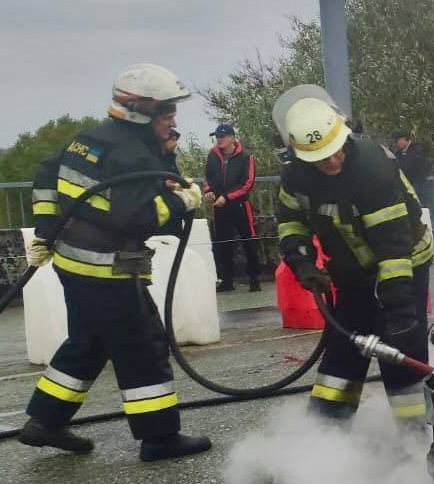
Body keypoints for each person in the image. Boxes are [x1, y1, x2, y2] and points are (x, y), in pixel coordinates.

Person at [18, 63, 212, 462]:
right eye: (168, 112)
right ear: (142, 110)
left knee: (88, 343)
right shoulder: (132, 155)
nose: (173, 119)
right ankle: (159, 437)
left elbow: (45, 173)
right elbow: (136, 217)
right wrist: (183, 200)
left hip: (73, 265)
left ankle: (44, 421)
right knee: (143, 346)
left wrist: (45, 228)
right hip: (109, 271)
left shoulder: (89, 139)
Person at [275, 94, 433, 425]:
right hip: (351, 271)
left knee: (399, 347)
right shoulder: (296, 177)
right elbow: (291, 222)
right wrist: (301, 262)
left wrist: (400, 310)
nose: (332, 162)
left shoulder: (370, 169)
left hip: (406, 261)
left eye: (336, 152)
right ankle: (325, 431)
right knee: (344, 345)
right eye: (321, 159)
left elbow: (393, 248)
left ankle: (417, 438)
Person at [203, 123, 260, 292]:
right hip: (219, 207)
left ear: (232, 138)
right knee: (223, 243)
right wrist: (208, 191)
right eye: (217, 136)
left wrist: (227, 197)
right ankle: (227, 280)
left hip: (240, 205)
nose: (219, 139)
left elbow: (248, 183)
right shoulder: (212, 155)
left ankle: (254, 278)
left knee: (248, 240)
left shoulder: (246, 156)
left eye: (222, 136)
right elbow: (208, 178)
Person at [390, 127, 432, 204]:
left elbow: (422, 173)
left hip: (418, 191)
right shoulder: (398, 154)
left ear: (405, 138)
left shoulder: (418, 151)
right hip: (404, 193)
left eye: (397, 140)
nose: (396, 143)